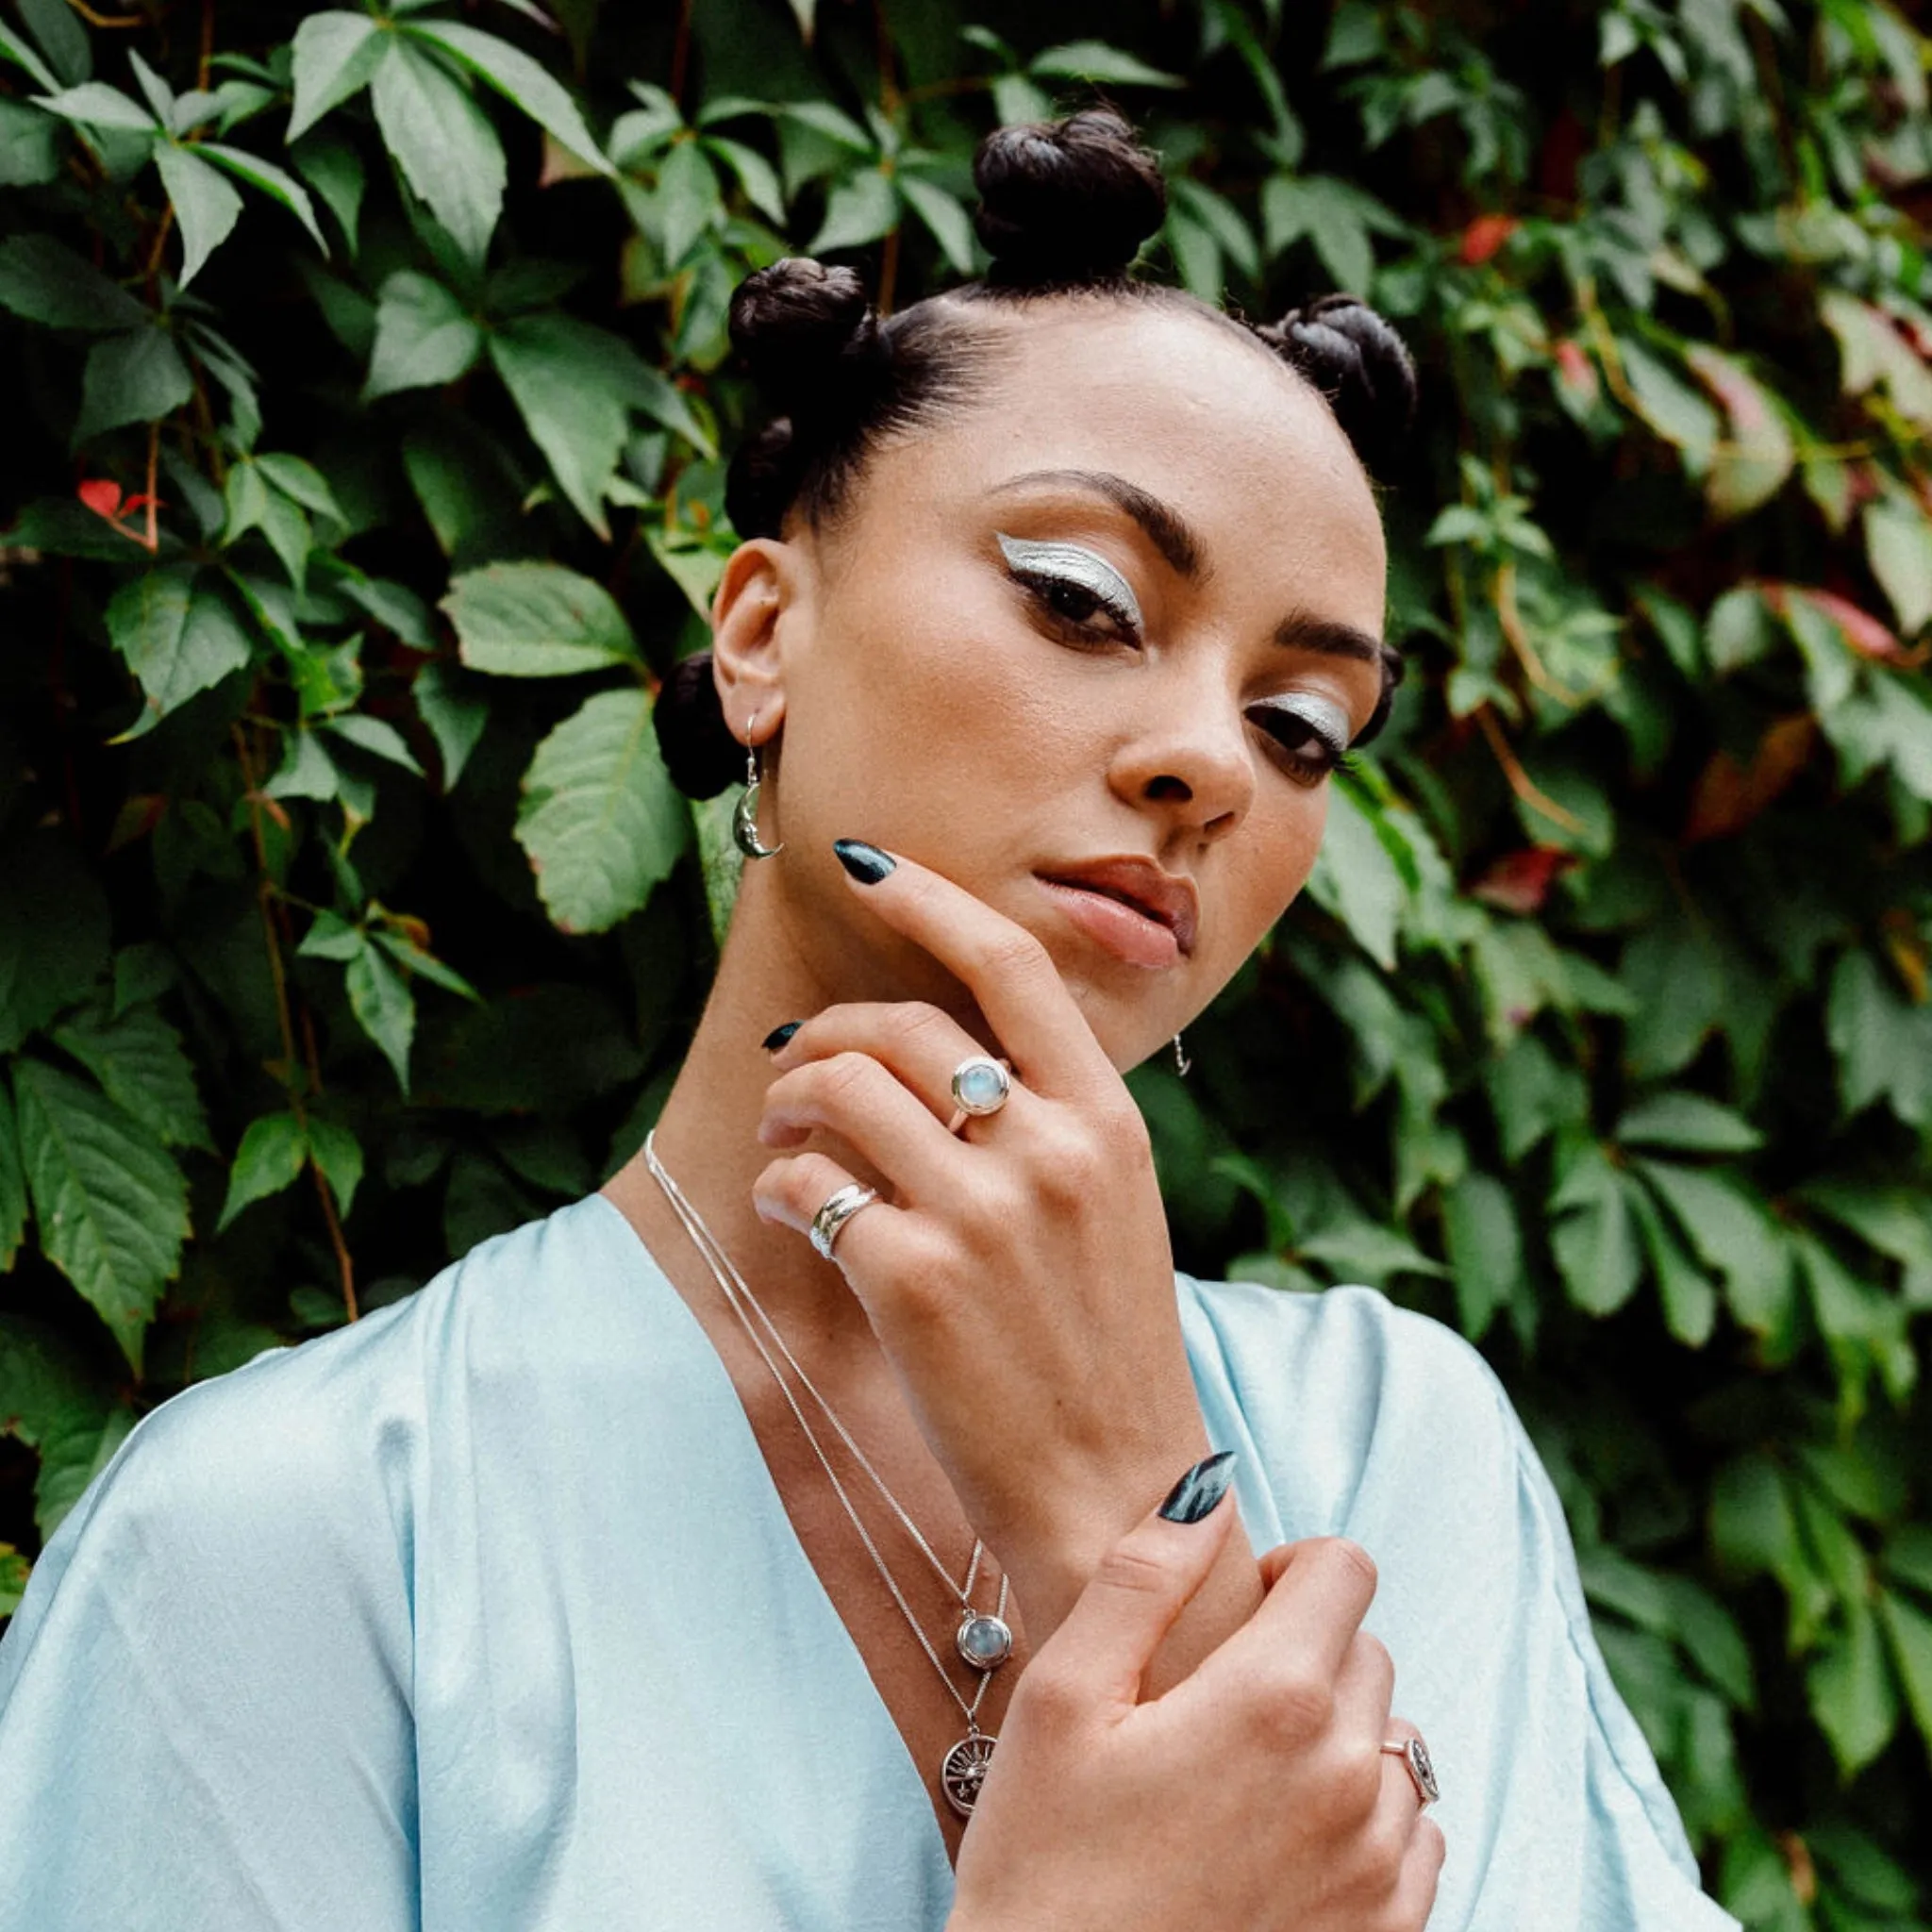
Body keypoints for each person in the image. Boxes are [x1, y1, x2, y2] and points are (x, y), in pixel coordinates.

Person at [0, 111, 1737, 1931]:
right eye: (1082, 600)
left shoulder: (1399, 1448)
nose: (1211, 761)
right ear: (762, 633)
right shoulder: (290, 1540)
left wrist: (1124, 1489)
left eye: (1304, 726)